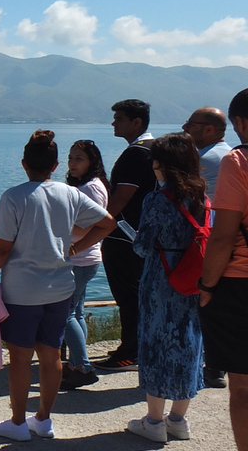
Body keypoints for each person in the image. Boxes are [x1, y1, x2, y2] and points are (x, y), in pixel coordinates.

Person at [0, 130, 115, 442]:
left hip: (22, 290)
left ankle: (17, 422)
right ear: (56, 165)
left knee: (19, 357)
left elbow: (2, 248)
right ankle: (42, 418)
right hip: (60, 286)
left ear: (23, 163)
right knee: (51, 353)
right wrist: (75, 249)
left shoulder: (14, 196)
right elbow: (107, 222)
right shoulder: (69, 194)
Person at [125, 133, 207, 443]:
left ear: (163, 165)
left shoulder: (158, 199)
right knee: (188, 342)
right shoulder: (203, 198)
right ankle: (179, 419)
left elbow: (143, 246)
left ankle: (154, 421)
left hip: (161, 278)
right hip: (192, 279)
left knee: (155, 344)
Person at [199, 88, 248, 451]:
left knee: (243, 387)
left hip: (240, 285)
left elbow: (223, 236)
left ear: (241, 123)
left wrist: (206, 285)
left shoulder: (238, 161)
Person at [95, 99, 156, 371]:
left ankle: (130, 353)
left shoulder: (136, 153)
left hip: (124, 236)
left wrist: (97, 227)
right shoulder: (156, 149)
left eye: (118, 118)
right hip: (143, 236)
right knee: (139, 295)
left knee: (127, 296)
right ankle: (137, 347)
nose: (113, 123)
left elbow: (119, 201)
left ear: (137, 122)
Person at [182, 106, 231, 389]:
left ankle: (209, 367)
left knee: (203, 302)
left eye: (192, 123)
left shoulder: (206, 160)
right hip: (227, 240)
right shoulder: (229, 156)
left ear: (209, 129)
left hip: (208, 240)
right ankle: (217, 365)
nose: (186, 127)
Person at [61, 140, 109, 390]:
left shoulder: (91, 188)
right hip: (85, 259)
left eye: (79, 158)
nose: (72, 163)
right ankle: (76, 363)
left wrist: (56, 227)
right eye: (70, 158)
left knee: (64, 314)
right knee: (76, 312)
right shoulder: (86, 185)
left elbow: (89, 226)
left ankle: (82, 366)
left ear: (92, 161)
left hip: (79, 258)